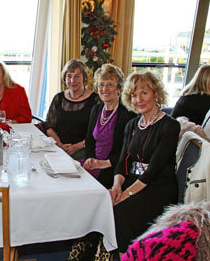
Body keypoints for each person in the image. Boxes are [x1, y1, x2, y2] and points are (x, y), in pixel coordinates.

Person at [109, 71, 180, 255]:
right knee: (106, 202)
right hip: (134, 180)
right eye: (133, 95)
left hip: (159, 186)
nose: (138, 99)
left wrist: (126, 194)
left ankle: (130, 256)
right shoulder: (132, 125)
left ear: (156, 94)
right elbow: (123, 161)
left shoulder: (170, 126)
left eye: (144, 93)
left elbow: (154, 170)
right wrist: (117, 186)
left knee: (121, 211)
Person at [84, 64, 136, 189]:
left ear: (119, 88)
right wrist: (90, 158)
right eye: (101, 84)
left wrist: (105, 163)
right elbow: (89, 140)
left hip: (113, 168)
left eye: (110, 84)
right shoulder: (96, 110)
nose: (104, 89)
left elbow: (129, 150)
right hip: (94, 164)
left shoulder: (128, 114)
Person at [45, 59, 101, 160]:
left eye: (77, 76)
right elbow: (49, 126)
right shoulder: (58, 98)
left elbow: (98, 132)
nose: (72, 80)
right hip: (59, 147)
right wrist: (59, 144)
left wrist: (76, 147)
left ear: (84, 78)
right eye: (69, 76)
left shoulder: (95, 100)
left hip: (83, 149)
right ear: (64, 78)